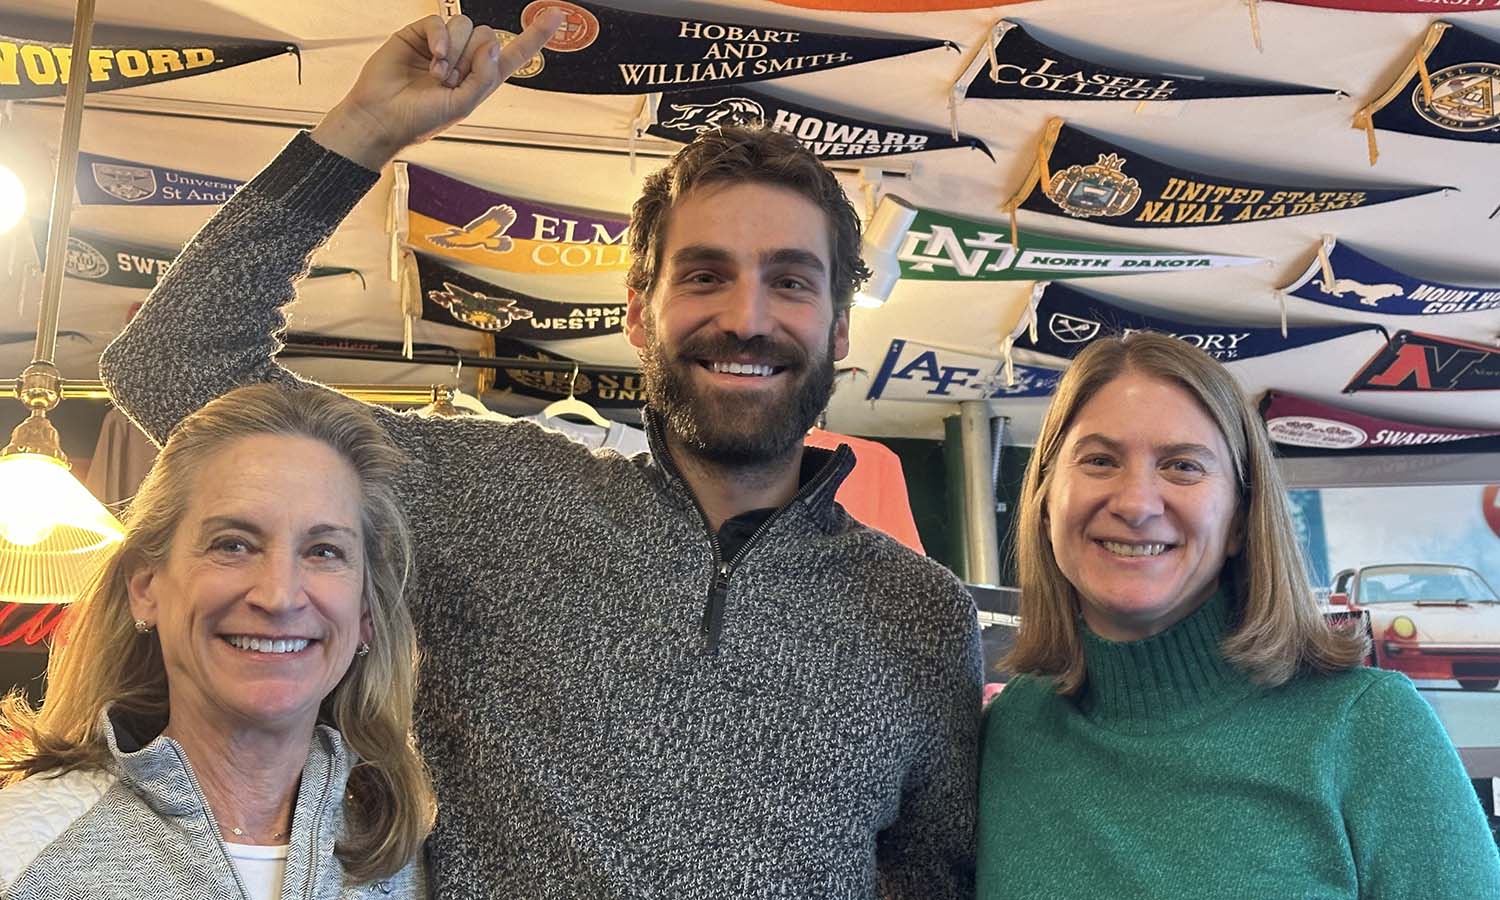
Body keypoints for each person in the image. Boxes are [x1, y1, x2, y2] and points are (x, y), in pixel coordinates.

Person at [97, 13, 981, 899]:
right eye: (705, 275)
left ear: (837, 327)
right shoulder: (493, 497)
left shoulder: (923, 617)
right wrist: (362, 133)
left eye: (790, 281)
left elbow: (931, 884)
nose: (747, 317)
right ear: (639, 315)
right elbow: (173, 360)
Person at [976, 332, 1500, 899]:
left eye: (1182, 466)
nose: (1134, 502)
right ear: (1045, 498)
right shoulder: (1014, 730)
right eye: (1099, 460)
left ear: (1240, 519)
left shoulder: (1367, 728)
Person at [0, 384, 434, 899]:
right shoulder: (21, 851)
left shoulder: (418, 862)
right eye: (233, 545)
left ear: (364, 611)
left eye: (323, 551)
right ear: (146, 587)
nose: (279, 596)